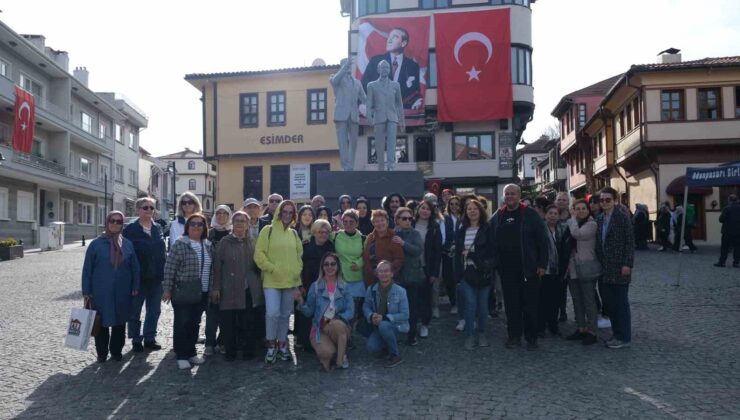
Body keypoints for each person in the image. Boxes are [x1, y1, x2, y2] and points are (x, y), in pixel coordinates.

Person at [490, 184, 548, 350]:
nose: (509, 196)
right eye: (507, 194)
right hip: (507, 270)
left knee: (530, 305)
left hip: (529, 269)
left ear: (519, 195)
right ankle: (514, 336)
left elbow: (542, 241)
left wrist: (542, 264)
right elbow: (488, 234)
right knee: (511, 305)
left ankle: (531, 338)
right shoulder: (499, 215)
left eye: (512, 194)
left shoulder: (530, 214)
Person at [82, 211, 140, 363]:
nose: (115, 224)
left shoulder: (127, 244)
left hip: (122, 290)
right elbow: (87, 269)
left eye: (119, 222)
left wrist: (135, 285)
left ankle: (116, 351)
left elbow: (135, 267)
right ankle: (101, 353)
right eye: (112, 221)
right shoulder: (96, 244)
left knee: (120, 322)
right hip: (101, 290)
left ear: (122, 225)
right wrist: (86, 291)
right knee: (101, 322)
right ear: (107, 222)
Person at [254, 200, 303, 363]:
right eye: (285, 212)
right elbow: (259, 255)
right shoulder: (267, 230)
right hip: (271, 281)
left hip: (290, 282)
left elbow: (299, 258)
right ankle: (270, 346)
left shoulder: (294, 234)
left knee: (284, 315)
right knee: (272, 313)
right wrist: (272, 268)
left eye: (291, 212)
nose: (287, 215)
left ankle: (282, 345)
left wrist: (297, 278)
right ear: (279, 212)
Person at [162, 213, 213, 369]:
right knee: (182, 323)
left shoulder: (208, 245)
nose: (196, 227)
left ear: (205, 227)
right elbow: (170, 268)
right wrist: (167, 290)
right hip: (184, 290)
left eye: (200, 224)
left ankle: (191, 353)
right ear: (187, 227)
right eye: (193, 224)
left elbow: (212, 269)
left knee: (195, 323)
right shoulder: (180, 244)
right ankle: (182, 355)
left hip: (202, 291)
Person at [211, 211, 263, 361]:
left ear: (247, 225)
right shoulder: (225, 242)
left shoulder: (253, 242)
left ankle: (248, 351)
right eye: (237, 221)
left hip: (248, 289)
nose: (240, 223)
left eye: (243, 221)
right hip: (229, 287)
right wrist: (216, 287)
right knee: (229, 322)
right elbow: (217, 267)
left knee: (248, 321)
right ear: (232, 224)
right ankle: (230, 351)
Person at [295, 253, 354, 371]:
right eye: (326, 264)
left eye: (333, 264)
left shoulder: (344, 286)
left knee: (336, 325)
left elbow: (350, 311)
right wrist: (301, 302)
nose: (329, 267)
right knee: (326, 354)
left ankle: (340, 361)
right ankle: (337, 352)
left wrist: (337, 318)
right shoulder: (315, 287)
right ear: (322, 267)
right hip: (319, 327)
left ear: (338, 266)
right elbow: (309, 312)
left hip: (339, 323)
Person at [123, 197, 166, 353]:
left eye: (151, 208)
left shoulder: (158, 228)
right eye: (145, 207)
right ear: (138, 210)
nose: (149, 210)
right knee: (135, 310)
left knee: (154, 310)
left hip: (156, 278)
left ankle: (149, 338)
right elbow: (125, 256)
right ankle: (135, 339)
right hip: (138, 278)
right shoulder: (129, 230)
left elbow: (162, 252)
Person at [596, 187, 635, 349]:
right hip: (604, 269)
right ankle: (616, 333)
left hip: (620, 267)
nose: (604, 203)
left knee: (621, 305)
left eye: (608, 200)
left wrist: (627, 264)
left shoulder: (622, 217)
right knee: (610, 305)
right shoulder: (599, 219)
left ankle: (624, 337)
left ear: (615, 201)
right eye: (602, 200)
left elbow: (630, 242)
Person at [454, 199, 495, 350]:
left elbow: (492, 252)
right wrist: (457, 275)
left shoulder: (487, 228)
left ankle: (482, 333)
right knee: (470, 305)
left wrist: (472, 255)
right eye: (469, 209)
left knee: (483, 308)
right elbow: (458, 254)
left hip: (483, 274)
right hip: (466, 274)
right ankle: (470, 335)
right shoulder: (461, 230)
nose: (472, 211)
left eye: (475, 209)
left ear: (480, 211)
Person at [360, 27, 422, 112]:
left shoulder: (413, 66)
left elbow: (415, 92)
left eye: (394, 37)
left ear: (403, 43)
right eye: (389, 37)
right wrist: (362, 104)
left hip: (401, 114)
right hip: (377, 113)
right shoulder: (375, 61)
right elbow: (363, 86)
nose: (389, 40)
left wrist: (417, 100)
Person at [565, 200, 600, 345]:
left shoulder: (591, 224)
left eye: (583, 208)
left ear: (588, 210)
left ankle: (592, 331)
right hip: (572, 268)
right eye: (577, 208)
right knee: (577, 300)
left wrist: (571, 218)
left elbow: (577, 234)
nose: (580, 211)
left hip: (586, 267)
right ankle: (581, 328)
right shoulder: (573, 223)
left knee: (589, 300)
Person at [363, 260, 410, 368]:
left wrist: (385, 318)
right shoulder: (371, 289)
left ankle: (395, 354)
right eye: (380, 271)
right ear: (377, 274)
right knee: (371, 348)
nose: (383, 274)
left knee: (384, 325)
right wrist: (371, 315)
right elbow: (366, 305)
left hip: (397, 326)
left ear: (392, 274)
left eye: (386, 271)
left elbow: (405, 314)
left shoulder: (401, 291)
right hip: (377, 325)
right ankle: (386, 345)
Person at [298, 219, 335, 351]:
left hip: (325, 285)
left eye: (326, 232)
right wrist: (300, 285)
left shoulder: (331, 246)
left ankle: (322, 340)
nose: (323, 235)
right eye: (320, 232)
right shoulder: (306, 247)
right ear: (314, 232)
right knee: (308, 313)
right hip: (308, 284)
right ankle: (305, 342)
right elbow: (300, 267)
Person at [393, 206, 425, 346]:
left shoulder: (415, 234)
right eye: (404, 218)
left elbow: (418, 250)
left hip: (412, 276)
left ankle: (412, 335)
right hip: (397, 276)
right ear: (397, 220)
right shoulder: (393, 233)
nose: (407, 221)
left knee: (412, 307)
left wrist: (403, 243)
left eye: (410, 218)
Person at [366, 60, 405, 171]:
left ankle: (391, 166)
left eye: (387, 68)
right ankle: (381, 167)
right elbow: (369, 102)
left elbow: (399, 104)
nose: (385, 70)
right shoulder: (372, 85)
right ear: (378, 70)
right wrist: (369, 115)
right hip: (379, 117)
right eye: (382, 67)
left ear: (389, 70)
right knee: (379, 143)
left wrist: (402, 121)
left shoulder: (395, 85)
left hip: (392, 117)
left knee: (392, 142)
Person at [331, 58, 367, 171]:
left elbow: (365, 99)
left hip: (354, 116)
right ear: (342, 67)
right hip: (341, 115)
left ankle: (351, 166)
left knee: (354, 143)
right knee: (342, 143)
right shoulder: (335, 79)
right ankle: (345, 166)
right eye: (345, 65)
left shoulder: (357, 82)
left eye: (349, 65)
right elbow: (334, 81)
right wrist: (343, 68)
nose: (347, 67)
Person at [538, 205, 568, 338]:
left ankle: (553, 326)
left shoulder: (562, 228)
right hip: (545, 269)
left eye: (555, 213)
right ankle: (541, 326)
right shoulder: (540, 229)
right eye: (550, 213)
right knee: (543, 300)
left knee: (556, 300)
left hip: (559, 270)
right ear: (545, 215)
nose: (553, 216)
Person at [414, 200, 442, 338]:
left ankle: (425, 324)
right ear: (418, 209)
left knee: (426, 298)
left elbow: (438, 252)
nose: (425, 211)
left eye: (428, 209)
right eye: (422, 208)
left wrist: (434, 273)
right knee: (412, 297)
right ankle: (413, 324)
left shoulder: (435, 227)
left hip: (427, 267)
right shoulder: (410, 223)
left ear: (431, 212)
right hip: (411, 267)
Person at [334, 209, 367, 329]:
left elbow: (367, 256)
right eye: (345, 221)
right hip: (340, 279)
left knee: (352, 312)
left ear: (357, 223)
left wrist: (359, 263)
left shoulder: (363, 238)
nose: (348, 224)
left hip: (356, 279)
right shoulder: (336, 236)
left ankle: (349, 336)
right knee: (340, 309)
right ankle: (341, 336)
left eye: (351, 222)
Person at [363, 209, 405, 286]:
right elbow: (365, 258)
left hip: (388, 280)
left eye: (382, 220)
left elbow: (399, 259)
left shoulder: (393, 237)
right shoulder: (369, 238)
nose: (380, 223)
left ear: (387, 222)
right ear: (373, 223)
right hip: (371, 279)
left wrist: (385, 270)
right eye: (376, 221)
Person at [441, 195, 462, 320]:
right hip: (447, 252)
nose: (454, 206)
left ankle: (460, 303)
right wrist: (448, 246)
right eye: (452, 204)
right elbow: (443, 235)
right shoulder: (444, 218)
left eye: (456, 204)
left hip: (460, 252)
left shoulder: (463, 217)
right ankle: (453, 303)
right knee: (449, 278)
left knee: (459, 278)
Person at [715, 194, 740, 268]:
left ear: (729, 200)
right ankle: (736, 263)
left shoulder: (727, 208)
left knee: (724, 247)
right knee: (737, 247)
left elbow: (721, 219)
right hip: (738, 231)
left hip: (727, 231)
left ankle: (722, 262)